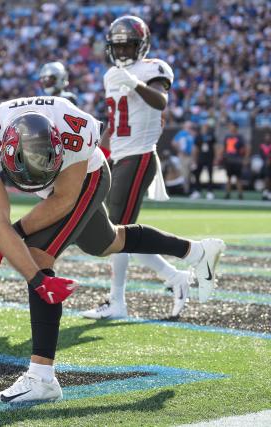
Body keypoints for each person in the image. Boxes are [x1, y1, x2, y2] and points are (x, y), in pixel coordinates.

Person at [0, 98, 224, 403]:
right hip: (56, 184)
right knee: (107, 243)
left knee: (37, 254)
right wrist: (9, 238)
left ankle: (42, 377)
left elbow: (62, 200)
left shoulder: (76, 129)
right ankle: (196, 252)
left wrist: (32, 268)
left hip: (86, 177)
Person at [83, 15, 192, 320]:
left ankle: (118, 302)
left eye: (128, 44)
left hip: (140, 155)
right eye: (117, 46)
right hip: (120, 157)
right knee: (121, 232)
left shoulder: (152, 69)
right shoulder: (110, 76)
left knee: (117, 231)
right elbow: (115, 125)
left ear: (141, 45)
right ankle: (174, 277)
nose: (122, 51)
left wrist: (135, 83)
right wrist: (97, 153)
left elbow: (160, 102)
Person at [219, 122, 248, 200]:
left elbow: (245, 148)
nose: (230, 128)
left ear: (236, 127)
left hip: (237, 160)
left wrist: (245, 158)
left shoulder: (240, 137)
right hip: (228, 159)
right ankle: (227, 194)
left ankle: (240, 194)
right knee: (228, 178)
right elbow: (223, 148)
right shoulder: (227, 137)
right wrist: (220, 156)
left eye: (232, 126)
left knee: (238, 178)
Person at [190, 123, 216, 199]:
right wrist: (194, 160)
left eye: (206, 127)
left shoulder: (211, 135)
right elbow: (195, 149)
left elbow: (215, 147)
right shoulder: (198, 136)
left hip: (209, 158)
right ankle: (198, 191)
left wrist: (216, 158)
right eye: (204, 127)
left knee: (210, 175)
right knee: (197, 174)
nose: (205, 128)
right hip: (200, 158)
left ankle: (210, 191)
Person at [172, 121, 195, 193]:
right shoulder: (181, 133)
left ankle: (188, 189)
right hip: (183, 156)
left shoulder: (192, 134)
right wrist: (180, 150)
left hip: (190, 156)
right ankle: (185, 190)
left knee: (189, 173)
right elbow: (174, 143)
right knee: (184, 173)